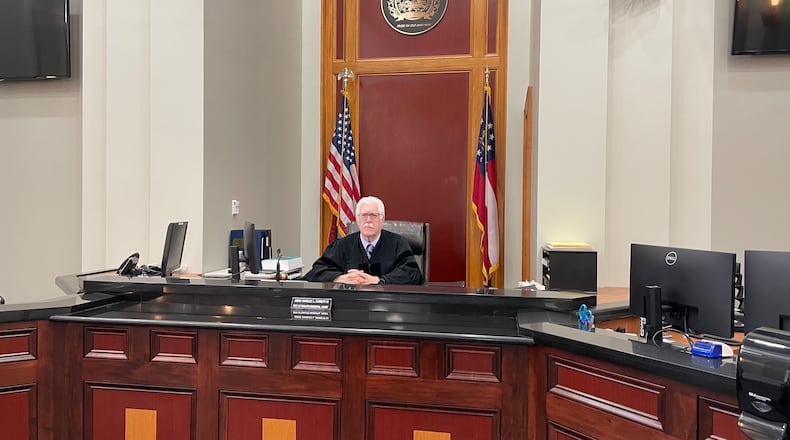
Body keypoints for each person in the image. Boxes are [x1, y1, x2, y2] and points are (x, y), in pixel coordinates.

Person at [303, 196, 423, 285]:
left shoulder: (397, 244)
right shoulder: (342, 245)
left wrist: (379, 280)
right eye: (364, 215)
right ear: (357, 220)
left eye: (373, 215)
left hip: (387, 304)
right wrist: (340, 278)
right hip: (352, 304)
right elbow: (316, 271)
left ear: (382, 220)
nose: (368, 220)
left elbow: (413, 274)